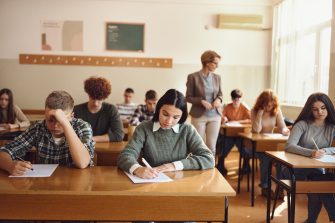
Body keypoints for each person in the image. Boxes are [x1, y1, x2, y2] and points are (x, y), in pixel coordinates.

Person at [118, 89, 215, 179]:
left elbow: (208, 158)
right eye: (165, 114)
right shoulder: (144, 128)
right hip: (150, 181)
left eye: (176, 117)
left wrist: (173, 165)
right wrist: (137, 169)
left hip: (179, 182)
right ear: (158, 109)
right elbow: (125, 156)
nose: (169, 121)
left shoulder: (187, 129)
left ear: (182, 116)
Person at [0, 90, 95, 176]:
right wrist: (10, 165)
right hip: (46, 184)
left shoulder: (82, 127)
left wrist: (66, 123)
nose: (55, 126)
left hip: (76, 184)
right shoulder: (38, 128)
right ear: (45, 115)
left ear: (72, 116)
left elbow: (82, 163)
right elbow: (4, 152)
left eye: (60, 120)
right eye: (50, 120)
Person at [285, 92, 335, 223]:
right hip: (294, 169)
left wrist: (326, 150)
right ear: (310, 110)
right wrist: (310, 152)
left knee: (320, 184)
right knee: (320, 185)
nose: (320, 112)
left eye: (323, 108)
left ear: (328, 107)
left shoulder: (332, 127)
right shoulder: (302, 124)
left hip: (317, 169)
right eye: (315, 109)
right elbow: (289, 146)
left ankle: (311, 221)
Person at [251, 89, 290, 198]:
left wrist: (285, 130)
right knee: (265, 159)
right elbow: (256, 130)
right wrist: (260, 114)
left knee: (281, 162)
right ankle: (265, 187)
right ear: (262, 102)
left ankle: (280, 188)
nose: (269, 106)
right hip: (258, 145)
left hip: (271, 144)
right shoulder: (254, 111)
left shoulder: (276, 111)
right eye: (267, 104)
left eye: (271, 103)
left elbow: (282, 126)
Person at [186, 50, 223, 157]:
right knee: (199, 147)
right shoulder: (193, 77)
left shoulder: (217, 77)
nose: (217, 66)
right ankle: (198, 170)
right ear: (207, 62)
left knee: (212, 147)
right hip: (199, 116)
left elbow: (220, 94)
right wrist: (201, 101)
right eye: (215, 63)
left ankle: (211, 171)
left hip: (215, 116)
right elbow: (188, 97)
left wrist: (218, 100)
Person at [74, 76, 124, 142]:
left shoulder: (111, 109)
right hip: (80, 148)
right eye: (93, 99)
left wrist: (90, 139)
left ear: (104, 97)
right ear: (88, 95)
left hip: (103, 149)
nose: (96, 104)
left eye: (99, 99)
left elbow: (119, 135)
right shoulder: (76, 110)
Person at [217, 89, 251, 174]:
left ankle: (246, 166)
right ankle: (220, 165)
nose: (236, 102)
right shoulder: (227, 107)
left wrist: (237, 122)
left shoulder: (244, 107)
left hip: (241, 134)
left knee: (244, 146)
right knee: (225, 145)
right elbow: (222, 117)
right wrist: (224, 118)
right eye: (234, 99)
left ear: (240, 99)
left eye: (238, 99)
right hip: (229, 134)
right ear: (232, 99)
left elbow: (250, 120)